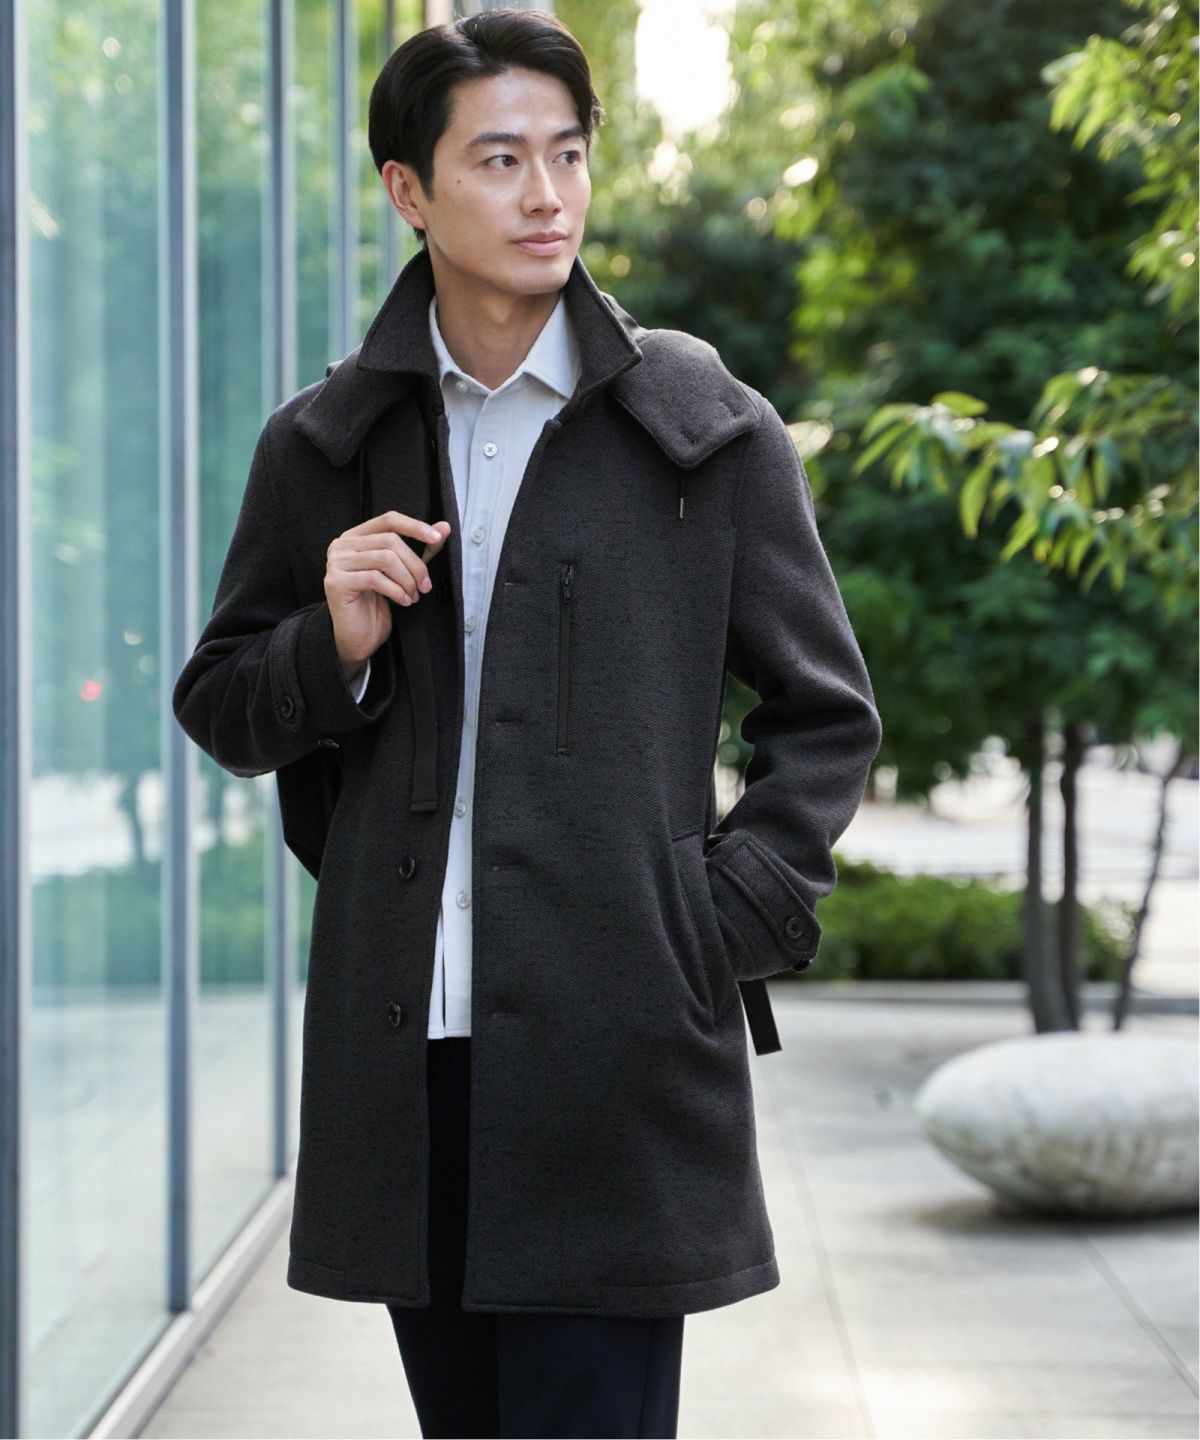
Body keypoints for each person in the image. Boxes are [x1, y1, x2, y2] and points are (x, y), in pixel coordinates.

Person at [173, 7, 882, 1438]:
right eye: (499, 160)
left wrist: (711, 926)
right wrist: (332, 641)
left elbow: (827, 715)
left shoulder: (700, 425)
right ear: (408, 189)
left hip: (618, 1047)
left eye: (568, 154)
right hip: (407, 1049)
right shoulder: (323, 444)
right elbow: (225, 706)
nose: (547, 194)